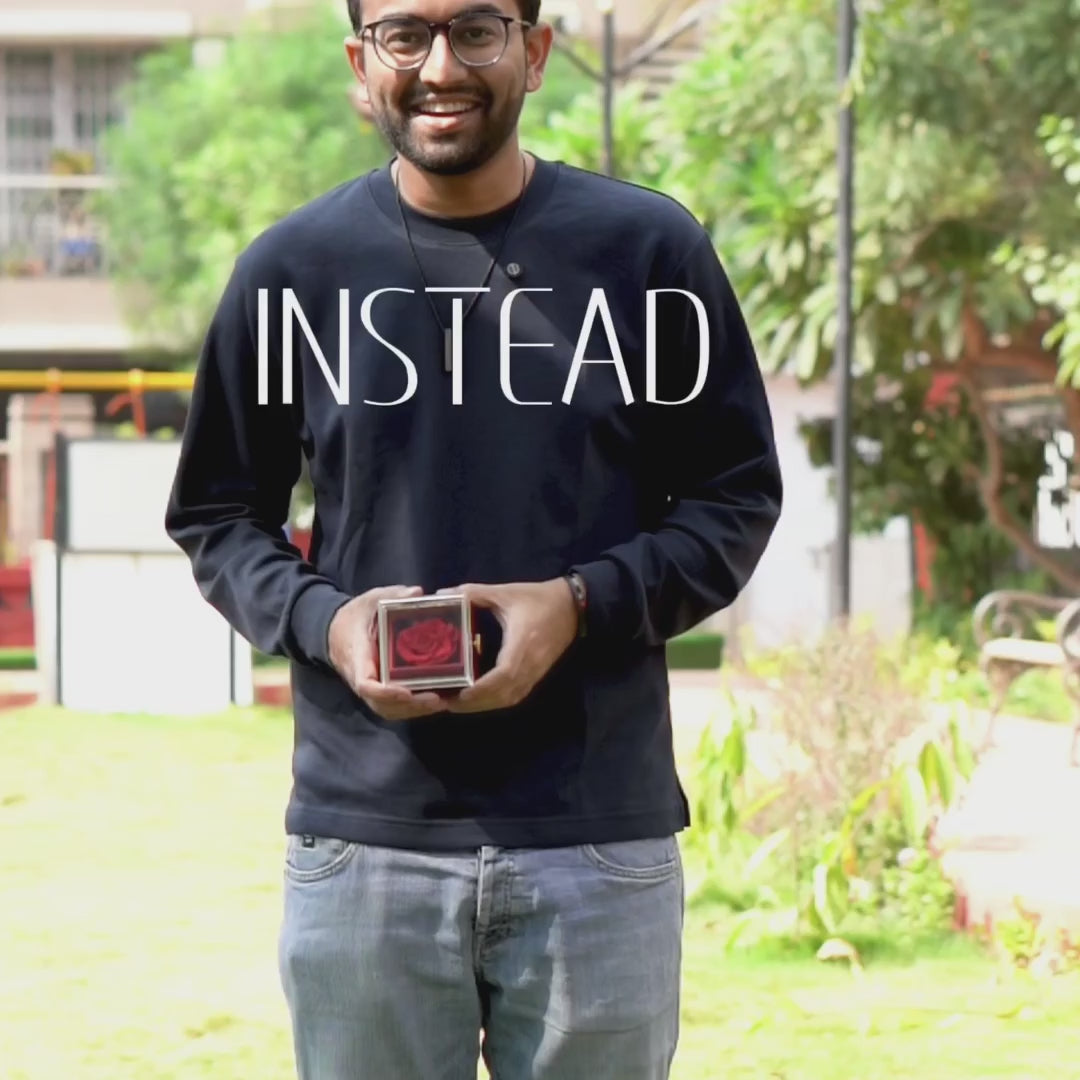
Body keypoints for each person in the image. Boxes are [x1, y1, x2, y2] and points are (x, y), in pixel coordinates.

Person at [164, 0, 783, 1077]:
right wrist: (327, 618)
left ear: (535, 52)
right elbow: (218, 514)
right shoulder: (291, 272)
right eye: (406, 34)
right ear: (363, 64)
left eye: (479, 30)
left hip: (597, 834)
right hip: (365, 842)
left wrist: (579, 605)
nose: (439, 65)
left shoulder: (649, 252)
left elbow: (733, 501)